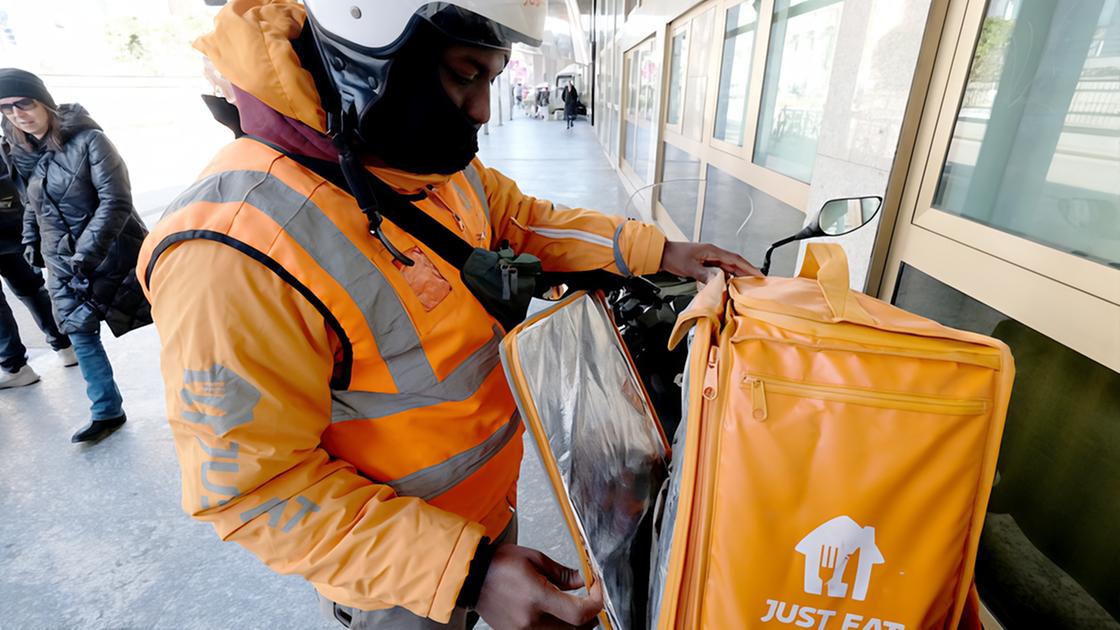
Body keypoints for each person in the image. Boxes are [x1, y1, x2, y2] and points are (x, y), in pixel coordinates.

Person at [139, 1, 758, 628]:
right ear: (371, 56)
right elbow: (255, 489)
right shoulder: (234, 249)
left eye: (492, 77)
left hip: (489, 512)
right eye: (466, 75)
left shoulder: (423, 165)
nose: (484, 109)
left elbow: (522, 218)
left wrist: (657, 250)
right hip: (396, 573)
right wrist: (465, 574)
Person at [0, 68, 151, 441]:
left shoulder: (90, 141)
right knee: (80, 333)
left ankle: (213, 384)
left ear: (44, 102)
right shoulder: (20, 150)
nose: (18, 114)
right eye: (7, 109)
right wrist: (31, 243)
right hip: (62, 261)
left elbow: (116, 201)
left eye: (24, 103)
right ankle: (106, 411)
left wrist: (86, 253)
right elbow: (31, 205)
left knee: (170, 317)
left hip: (116, 253)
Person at [0, 134, 77, 389]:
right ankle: (65, 346)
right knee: (30, 288)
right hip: (12, 225)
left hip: (9, 223)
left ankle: (14, 366)